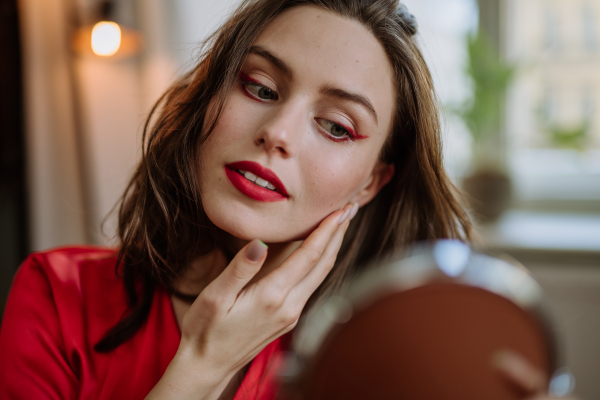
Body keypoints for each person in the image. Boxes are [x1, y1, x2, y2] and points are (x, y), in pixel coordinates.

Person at [0, 1, 567, 399]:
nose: (279, 132)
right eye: (261, 88)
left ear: (372, 181)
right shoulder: (57, 296)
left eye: (338, 127)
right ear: (207, 103)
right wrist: (200, 367)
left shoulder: (385, 360)